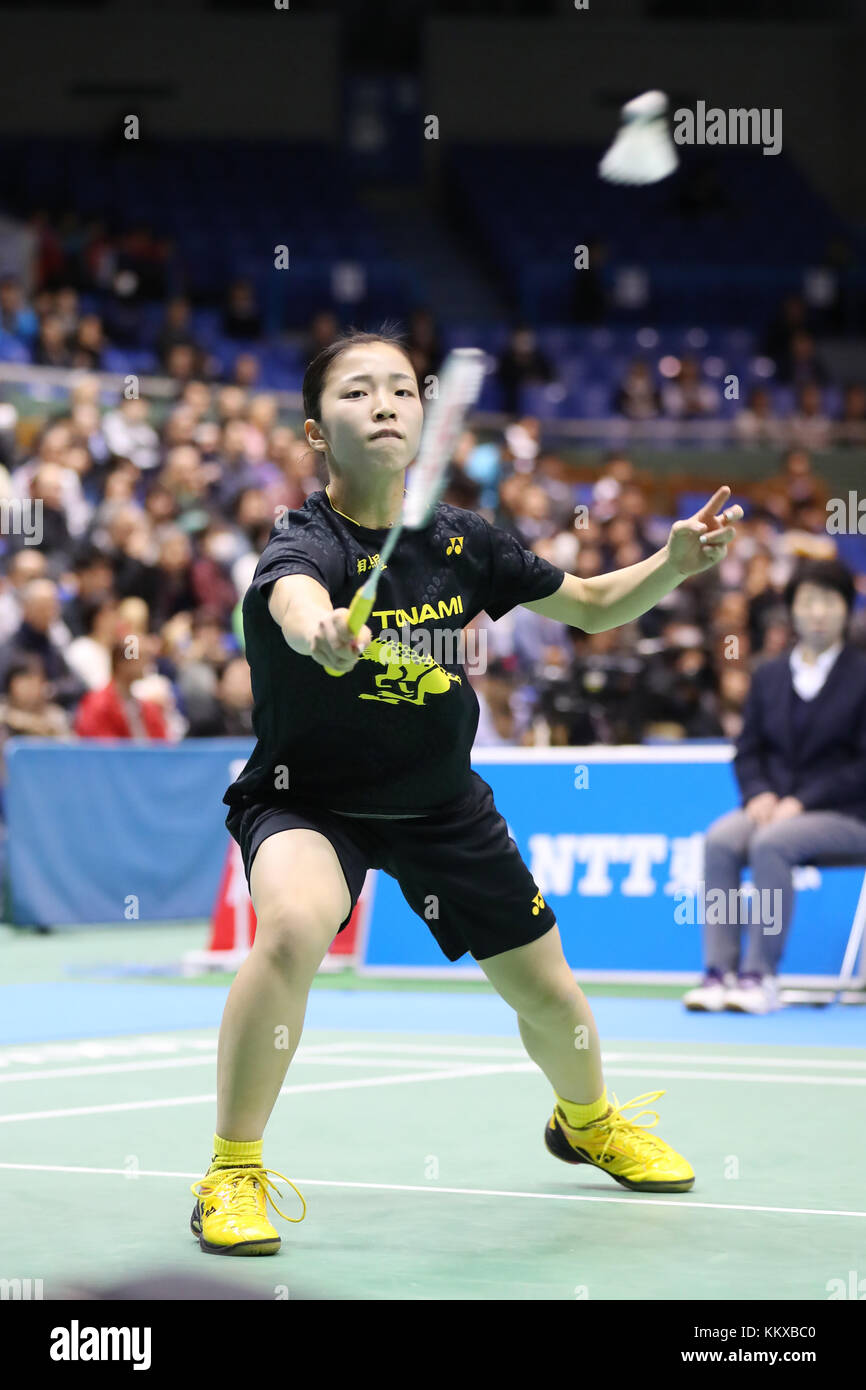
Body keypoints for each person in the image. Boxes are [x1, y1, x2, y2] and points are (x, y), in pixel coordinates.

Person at [191, 326, 742, 1256]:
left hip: (442, 803)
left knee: (552, 999)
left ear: (423, 415)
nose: (385, 405)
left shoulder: (463, 542)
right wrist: (320, 628)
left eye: (402, 391)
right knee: (292, 923)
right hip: (309, 799)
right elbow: (290, 601)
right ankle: (233, 1171)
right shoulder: (304, 540)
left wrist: (673, 567)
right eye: (358, 393)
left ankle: (587, 1123)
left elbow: (595, 605)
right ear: (317, 430)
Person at [684, 559, 866, 1016]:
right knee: (722, 840)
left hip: (848, 815)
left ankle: (760, 975)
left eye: (829, 601)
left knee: (771, 843)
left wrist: (802, 802)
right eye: (808, 602)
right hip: (775, 807)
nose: (818, 612)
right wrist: (759, 794)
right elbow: (749, 750)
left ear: (846, 609)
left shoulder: (861, 674)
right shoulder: (769, 674)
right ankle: (719, 972)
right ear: (792, 611)